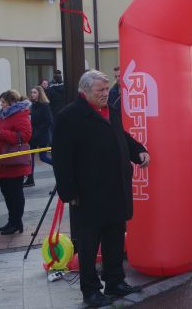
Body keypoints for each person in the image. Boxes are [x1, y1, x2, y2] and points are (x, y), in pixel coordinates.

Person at [52, 70, 150, 307]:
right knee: (88, 245)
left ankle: (115, 281)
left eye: (107, 89)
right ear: (84, 92)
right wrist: (68, 193)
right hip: (88, 192)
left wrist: (138, 150)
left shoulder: (110, 110)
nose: (106, 93)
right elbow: (61, 158)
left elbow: (121, 136)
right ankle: (91, 290)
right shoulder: (69, 116)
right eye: (100, 90)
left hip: (115, 188)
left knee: (114, 238)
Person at [0, 90, 32, 236]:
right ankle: (12, 221)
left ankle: (16, 222)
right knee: (7, 192)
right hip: (4, 163)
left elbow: (25, 135)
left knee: (14, 193)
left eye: (3, 102)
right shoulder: (4, 115)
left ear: (12, 102)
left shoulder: (20, 115)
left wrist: (3, 135)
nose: (1, 104)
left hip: (14, 163)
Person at [25, 86, 53, 187]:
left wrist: (38, 131)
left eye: (35, 92)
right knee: (30, 157)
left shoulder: (44, 105)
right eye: (31, 92)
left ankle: (60, 166)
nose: (32, 94)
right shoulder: (32, 106)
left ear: (39, 93)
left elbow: (48, 121)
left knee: (43, 157)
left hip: (42, 136)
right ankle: (30, 179)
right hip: (32, 136)